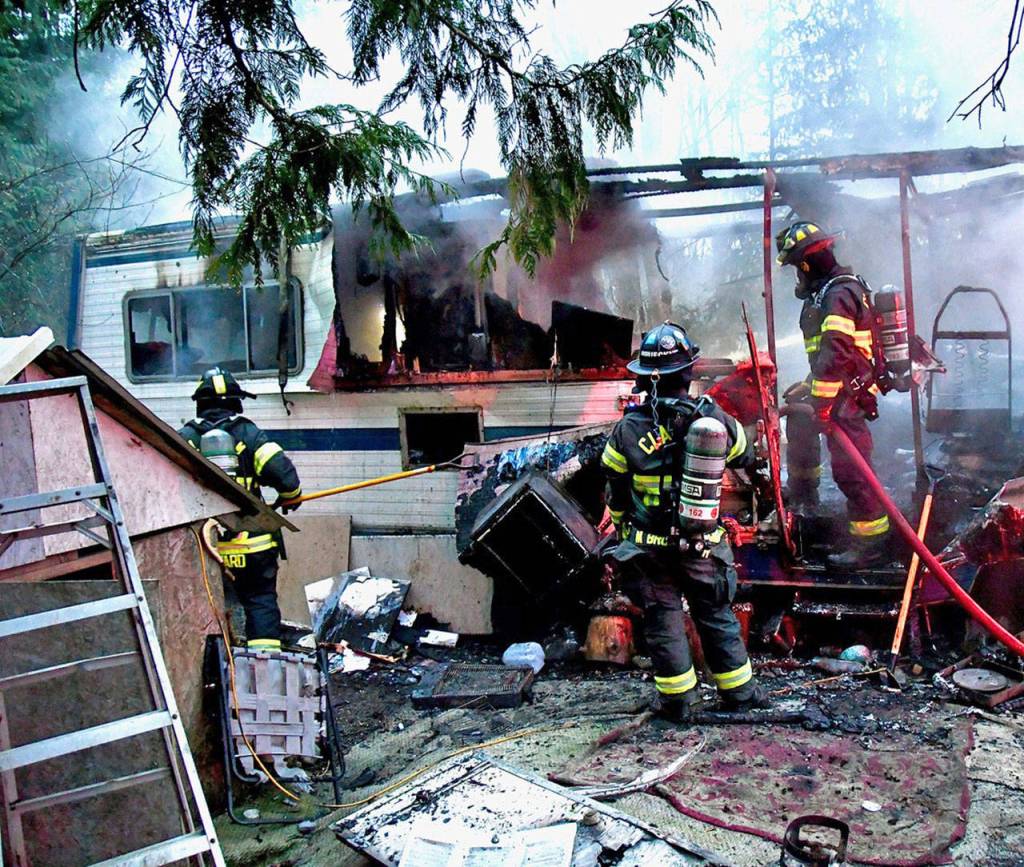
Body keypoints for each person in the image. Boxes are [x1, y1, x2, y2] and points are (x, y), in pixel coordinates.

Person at [602, 322, 767, 721]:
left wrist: (624, 525)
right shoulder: (711, 418)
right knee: (715, 614)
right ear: (689, 373)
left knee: (664, 621)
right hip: (702, 544)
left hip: (649, 548)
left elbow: (616, 490)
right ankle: (740, 695)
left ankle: (678, 701)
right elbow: (745, 454)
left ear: (643, 379)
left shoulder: (628, 429)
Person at [775, 221, 891, 569]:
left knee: (851, 470)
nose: (797, 275)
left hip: (847, 398)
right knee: (798, 419)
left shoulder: (838, 293)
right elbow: (827, 356)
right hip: (838, 391)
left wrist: (822, 403)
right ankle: (803, 498)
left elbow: (838, 353)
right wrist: (808, 386)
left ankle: (870, 546)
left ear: (806, 263)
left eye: (797, 267)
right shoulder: (829, 291)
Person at [179, 367, 302, 651]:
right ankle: (265, 672)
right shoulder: (248, 433)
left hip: (205, 548)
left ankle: (217, 672)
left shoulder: (185, 438)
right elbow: (284, 476)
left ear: (200, 401)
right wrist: (291, 496)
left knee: (208, 607)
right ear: (236, 400)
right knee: (260, 603)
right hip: (252, 548)